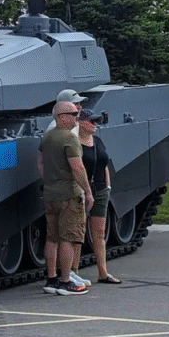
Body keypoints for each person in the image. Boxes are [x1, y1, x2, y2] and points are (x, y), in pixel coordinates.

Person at [38, 100, 93, 296]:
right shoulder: (69, 138)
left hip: (51, 194)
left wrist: (49, 181)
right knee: (68, 239)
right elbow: (77, 168)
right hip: (69, 195)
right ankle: (65, 282)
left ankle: (51, 279)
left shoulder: (47, 137)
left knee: (52, 238)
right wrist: (87, 191)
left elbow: (40, 162)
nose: (77, 117)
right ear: (62, 117)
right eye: (74, 114)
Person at [78, 108, 121, 284]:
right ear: (81, 123)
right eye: (92, 121)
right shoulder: (75, 143)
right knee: (78, 233)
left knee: (99, 234)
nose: (96, 124)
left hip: (101, 189)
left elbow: (104, 163)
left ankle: (103, 272)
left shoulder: (97, 141)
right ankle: (73, 273)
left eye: (97, 120)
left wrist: (108, 185)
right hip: (82, 191)